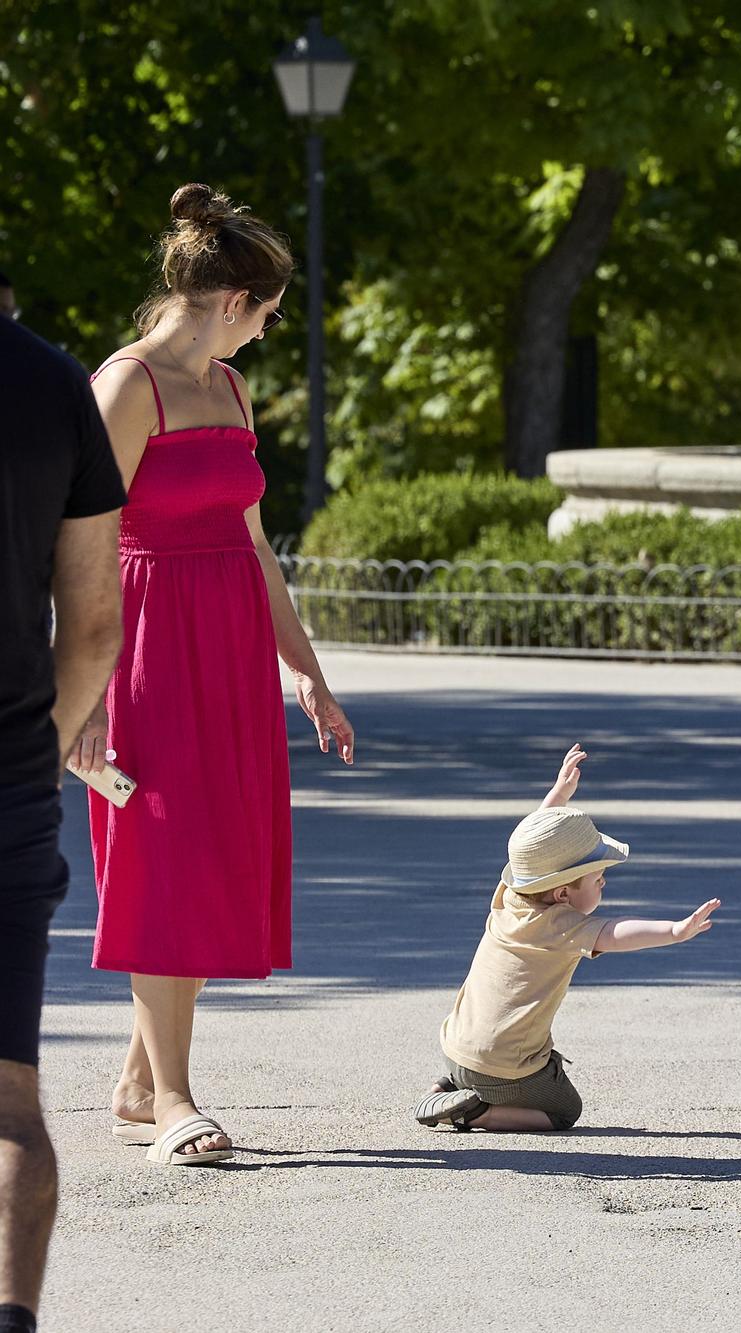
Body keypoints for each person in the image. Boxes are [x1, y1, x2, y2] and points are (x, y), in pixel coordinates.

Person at [78, 183, 357, 1167]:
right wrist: (85, 698)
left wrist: (308, 676)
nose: (270, 332)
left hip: (227, 650)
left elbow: (255, 548)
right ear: (234, 300)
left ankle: (139, 1077)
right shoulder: (126, 387)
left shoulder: (232, 391)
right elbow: (81, 545)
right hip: (146, 649)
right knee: (160, 863)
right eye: (271, 314)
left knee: (198, 861)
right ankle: (173, 1104)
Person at [0, 316, 127, 1333]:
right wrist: (38, 746)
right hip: (7, 780)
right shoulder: (52, 384)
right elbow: (92, 623)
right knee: (10, 1103)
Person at [416, 745, 721, 1132]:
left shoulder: (510, 896)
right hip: (500, 1069)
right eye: (597, 878)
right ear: (562, 894)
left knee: (487, 1062)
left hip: (453, 1048)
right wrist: (676, 931)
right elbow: (616, 933)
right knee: (564, 1110)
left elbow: (532, 845)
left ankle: (446, 1087)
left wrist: (559, 794)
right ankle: (475, 1111)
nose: (604, 881)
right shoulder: (561, 926)